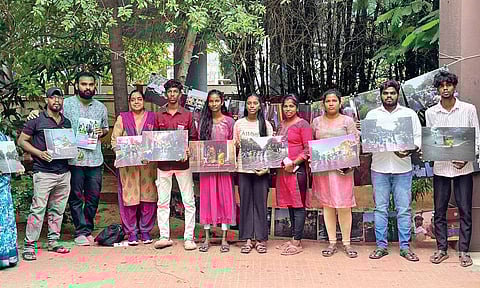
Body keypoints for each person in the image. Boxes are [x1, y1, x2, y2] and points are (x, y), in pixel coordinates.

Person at [426, 70, 480, 267]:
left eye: (448, 85)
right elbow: (432, 140)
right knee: (439, 210)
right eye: (441, 86)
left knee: (465, 209)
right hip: (441, 168)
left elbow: (476, 139)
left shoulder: (468, 109)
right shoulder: (431, 112)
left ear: (454, 87)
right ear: (438, 89)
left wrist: (467, 158)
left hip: (463, 169)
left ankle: (463, 251)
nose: (445, 88)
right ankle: (441, 249)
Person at [365, 80, 421, 262]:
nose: (389, 96)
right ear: (380, 95)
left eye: (392, 93)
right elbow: (366, 142)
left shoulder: (409, 114)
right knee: (380, 209)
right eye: (385, 93)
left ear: (398, 94)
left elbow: (418, 138)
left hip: (402, 168)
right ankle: (381, 246)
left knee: (403, 209)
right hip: (379, 167)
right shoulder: (372, 115)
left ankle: (405, 247)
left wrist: (410, 149)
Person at [17, 87, 72, 260]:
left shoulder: (66, 122)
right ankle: (29, 245)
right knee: (38, 209)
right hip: (43, 172)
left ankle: (53, 241)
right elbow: (22, 141)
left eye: (59, 97)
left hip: (64, 173)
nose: (56, 100)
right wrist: (39, 153)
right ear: (46, 99)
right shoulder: (36, 120)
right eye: (53, 97)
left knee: (58, 210)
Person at [310, 89, 359, 258]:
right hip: (323, 172)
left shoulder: (347, 121)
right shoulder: (316, 122)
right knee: (328, 206)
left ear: (340, 103)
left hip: (343, 172)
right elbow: (312, 145)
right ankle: (331, 242)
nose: (330, 104)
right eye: (327, 101)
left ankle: (347, 243)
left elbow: (355, 143)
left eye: (334, 101)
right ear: (323, 104)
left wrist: (349, 164)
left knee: (344, 206)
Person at [154, 79, 198, 250]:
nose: (172, 95)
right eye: (169, 92)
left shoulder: (187, 115)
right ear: (166, 94)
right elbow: (154, 140)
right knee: (162, 202)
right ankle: (164, 236)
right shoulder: (159, 114)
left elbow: (193, 139)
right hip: (163, 166)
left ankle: (189, 237)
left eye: (175, 92)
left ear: (180, 94)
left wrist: (188, 150)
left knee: (188, 201)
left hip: (183, 165)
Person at [111, 90, 157, 246]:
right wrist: (122, 152)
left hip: (148, 165)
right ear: (129, 102)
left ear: (144, 101)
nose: (136, 102)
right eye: (133, 100)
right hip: (128, 166)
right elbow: (114, 140)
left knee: (148, 196)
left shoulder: (152, 117)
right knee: (130, 197)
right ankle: (131, 231)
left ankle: (145, 230)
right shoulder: (123, 118)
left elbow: (158, 139)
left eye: (139, 99)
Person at [233, 94, 273, 254]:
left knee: (261, 204)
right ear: (246, 106)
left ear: (259, 106)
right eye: (249, 103)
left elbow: (271, 150)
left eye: (255, 103)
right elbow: (234, 146)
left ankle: (261, 239)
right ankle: (248, 239)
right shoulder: (239, 124)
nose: (251, 106)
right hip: (243, 170)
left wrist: (267, 168)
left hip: (261, 171)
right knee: (245, 204)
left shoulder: (266, 125)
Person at [197, 89, 236, 253]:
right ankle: (206, 237)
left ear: (222, 102)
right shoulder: (203, 121)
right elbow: (199, 145)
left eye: (216, 101)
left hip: (224, 169)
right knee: (207, 200)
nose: (214, 104)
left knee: (225, 199)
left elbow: (233, 143)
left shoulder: (229, 122)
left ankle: (224, 238)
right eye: (211, 101)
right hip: (207, 169)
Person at [275, 95, 312, 256]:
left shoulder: (303, 125)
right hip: (284, 171)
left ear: (297, 108)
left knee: (298, 205)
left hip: (297, 171)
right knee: (290, 204)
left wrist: (295, 163)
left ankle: (297, 241)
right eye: (285, 106)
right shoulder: (282, 124)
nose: (288, 109)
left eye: (291, 106)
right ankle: (293, 238)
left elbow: (308, 149)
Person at [0, 132, 19, 269]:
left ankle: (7, 257)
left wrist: (17, 167)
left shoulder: (4, 138)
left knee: (5, 218)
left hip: (3, 186)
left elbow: (12, 162)